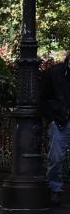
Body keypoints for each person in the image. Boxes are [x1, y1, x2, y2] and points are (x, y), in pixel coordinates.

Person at [45, 51, 70, 204]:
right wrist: (52, 120)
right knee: (55, 157)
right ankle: (55, 189)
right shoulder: (55, 73)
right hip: (61, 121)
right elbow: (44, 99)